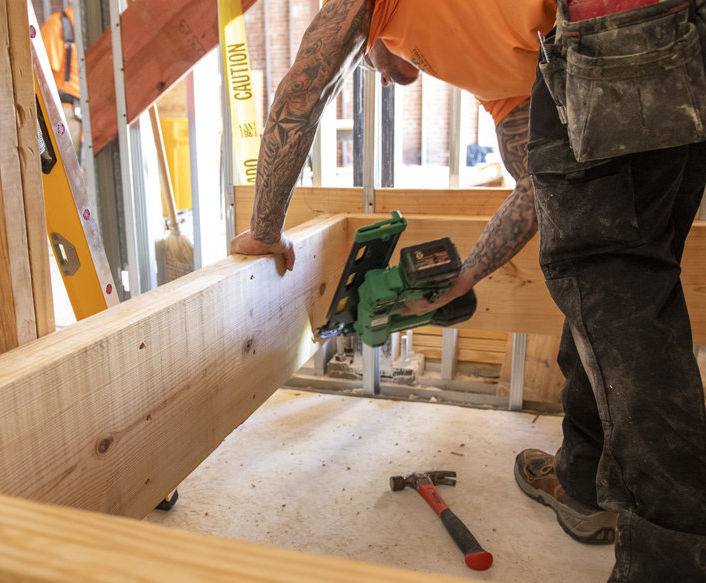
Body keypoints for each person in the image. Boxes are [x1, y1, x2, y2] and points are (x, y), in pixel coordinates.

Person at [229, 0, 706, 580]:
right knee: (615, 294)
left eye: (369, 61)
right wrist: (465, 276)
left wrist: (265, 231)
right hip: (676, 44)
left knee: (621, 312)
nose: (381, 76)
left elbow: (302, 91)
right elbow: (536, 190)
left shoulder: (375, 9)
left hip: (612, 35)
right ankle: (584, 481)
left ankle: (670, 564)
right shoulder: (501, 78)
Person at [41, 5, 82, 160]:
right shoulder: (59, 25)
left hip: (78, 114)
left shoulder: (59, 24)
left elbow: (38, 73)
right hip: (69, 112)